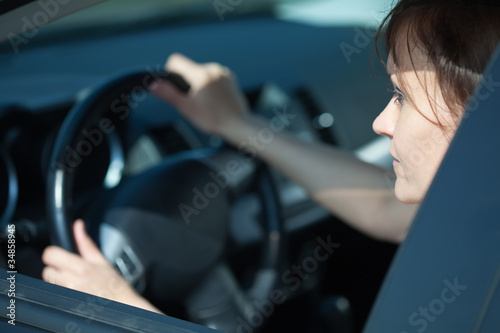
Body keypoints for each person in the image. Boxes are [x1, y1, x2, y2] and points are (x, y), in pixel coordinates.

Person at [41, 0, 500, 315]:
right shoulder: (477, 215)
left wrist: (120, 313)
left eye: (402, 95)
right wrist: (236, 125)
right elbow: (386, 207)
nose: (382, 122)